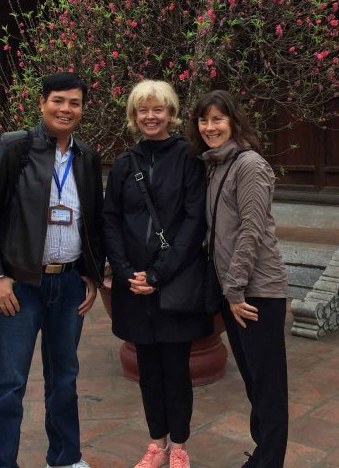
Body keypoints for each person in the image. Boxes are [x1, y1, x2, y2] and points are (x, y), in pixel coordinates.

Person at [0, 71, 104, 468]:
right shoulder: (15, 148)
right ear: (42, 102)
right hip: (20, 288)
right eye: (58, 100)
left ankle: (64, 458)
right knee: (10, 383)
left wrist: (92, 275)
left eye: (75, 103)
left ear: (82, 109)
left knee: (64, 378)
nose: (66, 109)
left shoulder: (87, 156)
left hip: (68, 284)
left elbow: (92, 221)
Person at [103, 80, 211, 468]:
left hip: (173, 283)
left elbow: (193, 222)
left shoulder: (188, 161)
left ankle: (179, 445)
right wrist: (127, 270)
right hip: (134, 286)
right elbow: (110, 221)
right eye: (143, 110)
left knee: (176, 370)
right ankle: (156, 443)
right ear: (134, 116)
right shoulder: (122, 164)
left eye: (158, 109)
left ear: (171, 113)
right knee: (148, 370)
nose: (151, 116)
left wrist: (158, 274)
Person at [188, 90, 289, 468]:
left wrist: (233, 289)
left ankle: (270, 460)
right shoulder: (215, 166)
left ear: (234, 121)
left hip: (256, 292)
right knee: (254, 381)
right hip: (235, 292)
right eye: (204, 120)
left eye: (218, 119)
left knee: (269, 386)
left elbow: (252, 231)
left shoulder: (250, 165)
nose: (210, 127)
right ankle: (263, 453)